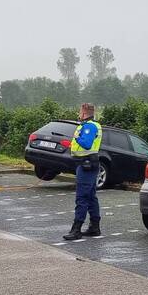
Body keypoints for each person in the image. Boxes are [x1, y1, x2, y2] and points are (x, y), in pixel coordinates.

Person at [63, 102, 102, 241]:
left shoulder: (89, 126)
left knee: (82, 197)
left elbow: (86, 143)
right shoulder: (91, 125)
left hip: (86, 164)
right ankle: (94, 227)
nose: (79, 114)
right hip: (88, 163)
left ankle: (76, 229)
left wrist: (76, 138)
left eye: (80, 111)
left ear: (84, 113)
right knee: (91, 196)